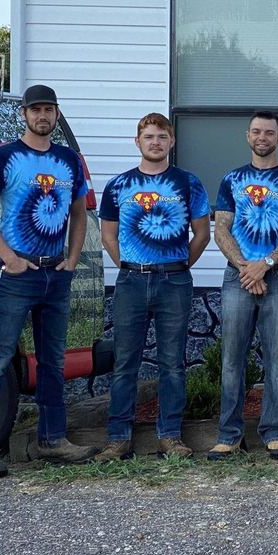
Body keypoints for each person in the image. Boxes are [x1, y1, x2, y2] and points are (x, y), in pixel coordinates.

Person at [0, 84, 98, 478]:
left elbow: (78, 213)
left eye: (48, 110)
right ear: (24, 114)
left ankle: (52, 439)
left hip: (55, 274)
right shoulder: (5, 157)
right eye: (35, 109)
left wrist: (73, 258)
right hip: (17, 274)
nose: (42, 116)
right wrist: (9, 257)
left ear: (56, 114)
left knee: (51, 361)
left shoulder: (68, 160)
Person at [95, 113, 211, 461]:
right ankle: (118, 439)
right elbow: (107, 235)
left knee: (172, 363)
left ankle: (170, 436)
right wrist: (129, 265)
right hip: (131, 281)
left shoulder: (188, 183)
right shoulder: (118, 186)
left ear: (171, 141)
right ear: (138, 142)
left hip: (174, 281)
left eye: (162, 136)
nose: (155, 142)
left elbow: (202, 234)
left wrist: (179, 265)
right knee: (125, 362)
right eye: (148, 137)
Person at [208, 111, 278, 461]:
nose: (262, 137)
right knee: (231, 359)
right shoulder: (231, 179)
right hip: (237, 276)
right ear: (247, 136)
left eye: (269, 132)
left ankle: (275, 431)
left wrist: (264, 265)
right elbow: (221, 228)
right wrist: (245, 268)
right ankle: (229, 435)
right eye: (256, 131)